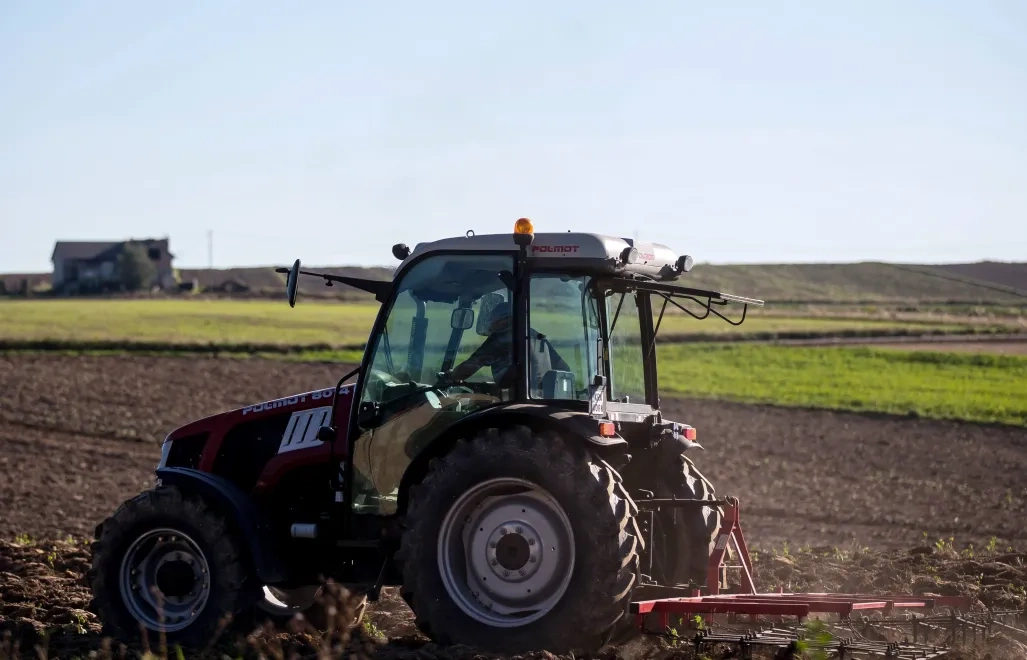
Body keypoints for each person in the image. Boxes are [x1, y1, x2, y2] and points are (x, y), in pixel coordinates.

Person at [448, 301, 570, 392]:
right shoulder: (535, 336)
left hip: (514, 400)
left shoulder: (503, 337)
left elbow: (470, 366)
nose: (490, 328)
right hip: (538, 399)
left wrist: (450, 376)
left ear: (501, 320)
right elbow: (563, 367)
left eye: (492, 322)